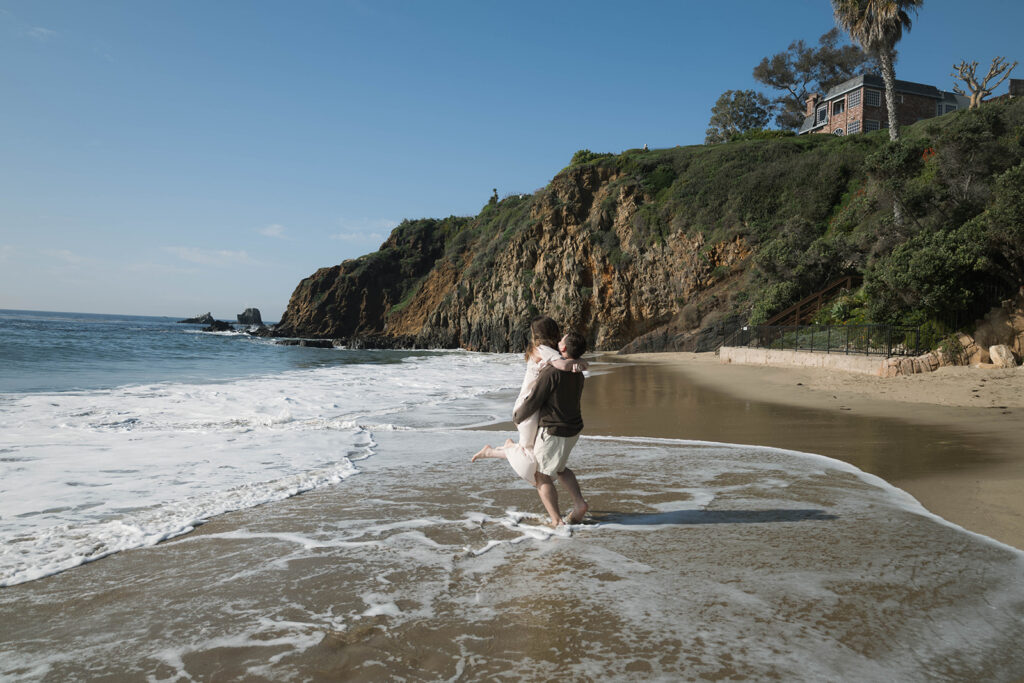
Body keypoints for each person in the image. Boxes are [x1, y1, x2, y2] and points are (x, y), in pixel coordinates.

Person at [471, 317, 584, 485]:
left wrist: (579, 362)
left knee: (532, 454)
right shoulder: (541, 350)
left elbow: (567, 360)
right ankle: (501, 450)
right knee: (529, 455)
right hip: (526, 406)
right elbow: (562, 365)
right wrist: (578, 363)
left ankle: (498, 450)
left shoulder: (552, 351)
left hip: (536, 405)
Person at [513, 331, 588, 527]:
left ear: (562, 348)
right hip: (573, 429)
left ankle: (556, 521)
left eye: (561, 340)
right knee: (560, 468)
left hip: (554, 432)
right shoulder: (578, 373)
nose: (558, 341)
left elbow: (534, 401)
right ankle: (579, 505)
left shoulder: (552, 373)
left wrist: (518, 416)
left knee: (541, 476)